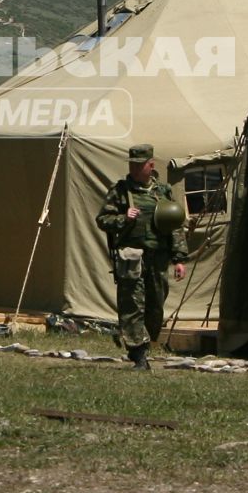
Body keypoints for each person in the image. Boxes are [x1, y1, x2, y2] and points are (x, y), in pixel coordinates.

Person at [95, 144, 189, 370]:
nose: (136, 170)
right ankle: (139, 353)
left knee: (155, 304)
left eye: (141, 166)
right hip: (132, 257)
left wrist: (179, 259)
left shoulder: (162, 192)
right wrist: (123, 218)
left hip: (158, 257)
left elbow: (175, 227)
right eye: (132, 165)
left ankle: (145, 341)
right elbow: (102, 220)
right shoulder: (120, 191)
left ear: (151, 165)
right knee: (133, 305)